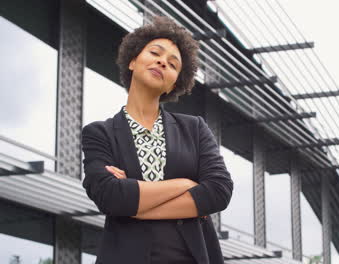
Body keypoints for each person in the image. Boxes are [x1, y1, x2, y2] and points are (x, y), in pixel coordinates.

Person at [81, 15, 233, 264]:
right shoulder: (99, 133)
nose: (163, 62)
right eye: (155, 53)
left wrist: (137, 209)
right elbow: (109, 195)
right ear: (132, 61)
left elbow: (218, 190)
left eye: (173, 65)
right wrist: (186, 183)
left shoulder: (194, 129)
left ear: (173, 84)